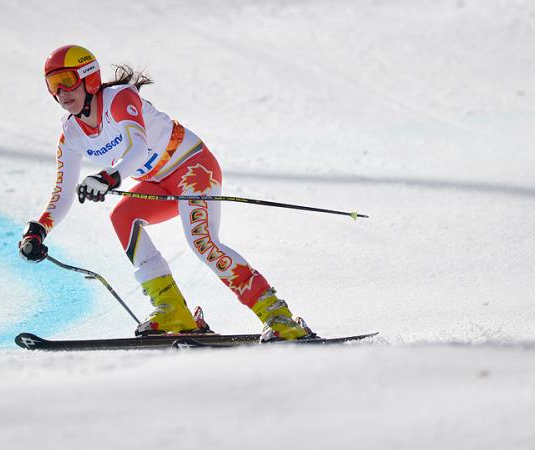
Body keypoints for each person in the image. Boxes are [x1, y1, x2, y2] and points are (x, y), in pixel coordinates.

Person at [18, 44, 314, 342]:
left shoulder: (119, 99)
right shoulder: (71, 134)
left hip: (192, 167)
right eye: (53, 85)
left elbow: (139, 147)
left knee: (203, 242)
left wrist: (110, 176)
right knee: (123, 217)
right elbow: (63, 191)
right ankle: (173, 309)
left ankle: (278, 316)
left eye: (67, 81)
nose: (61, 92)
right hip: (158, 184)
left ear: (88, 78)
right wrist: (39, 229)